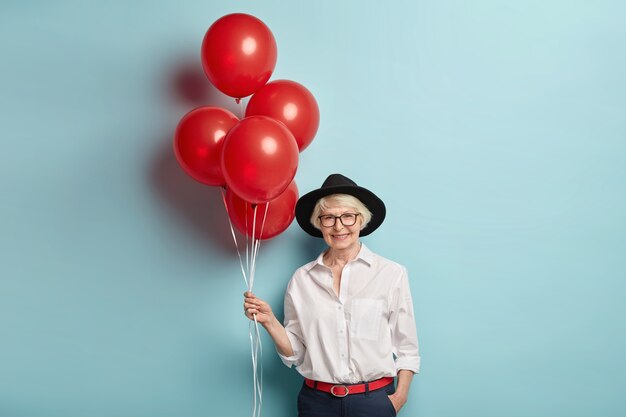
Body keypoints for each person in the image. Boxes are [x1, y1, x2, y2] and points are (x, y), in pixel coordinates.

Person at [243, 173, 420, 417]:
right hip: (317, 403)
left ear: (361, 220)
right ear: (319, 223)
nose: (339, 226)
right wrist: (270, 322)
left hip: (374, 403)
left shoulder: (391, 274)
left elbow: (407, 348)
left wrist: (398, 398)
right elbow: (296, 353)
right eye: (328, 218)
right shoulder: (301, 280)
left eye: (348, 216)